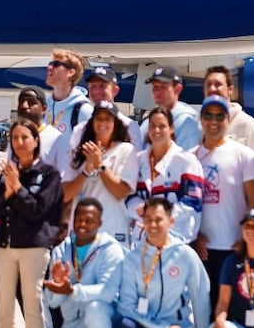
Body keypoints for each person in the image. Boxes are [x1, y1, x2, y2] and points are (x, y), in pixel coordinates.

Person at [0, 118, 62, 328]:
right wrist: (7, 190)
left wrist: (17, 189)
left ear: (36, 141)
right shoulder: (9, 171)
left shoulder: (49, 174)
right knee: (4, 313)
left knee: (32, 310)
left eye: (24, 137)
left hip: (34, 247)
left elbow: (39, 210)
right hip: (5, 246)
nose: (19, 143)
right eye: (15, 138)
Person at [114, 197, 212, 328]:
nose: (152, 225)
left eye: (158, 220)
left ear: (171, 221)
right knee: (122, 327)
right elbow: (126, 306)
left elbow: (201, 301)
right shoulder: (133, 258)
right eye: (148, 220)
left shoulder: (185, 255)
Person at [193, 95, 254, 316]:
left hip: (233, 248)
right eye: (208, 115)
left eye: (220, 116)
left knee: (232, 312)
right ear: (201, 119)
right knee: (204, 310)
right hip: (200, 249)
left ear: (227, 120)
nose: (213, 121)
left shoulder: (245, 155)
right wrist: (194, 236)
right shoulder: (189, 157)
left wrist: (246, 237)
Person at [43, 197, 125, 328]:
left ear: (100, 223)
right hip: (72, 324)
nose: (82, 225)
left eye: (89, 221)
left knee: (95, 309)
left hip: (105, 321)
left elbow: (108, 292)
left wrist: (72, 291)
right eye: (79, 219)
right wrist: (57, 288)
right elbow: (52, 302)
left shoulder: (111, 249)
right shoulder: (61, 250)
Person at [62, 101, 139, 245]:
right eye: (99, 118)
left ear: (115, 123)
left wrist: (100, 165)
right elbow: (66, 194)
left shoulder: (126, 150)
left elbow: (120, 192)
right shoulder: (79, 152)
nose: (103, 123)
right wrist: (85, 172)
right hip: (81, 229)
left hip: (112, 229)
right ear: (92, 122)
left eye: (108, 119)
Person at [127, 105, 204, 243]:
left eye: (162, 126)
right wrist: (140, 210)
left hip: (178, 241)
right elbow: (128, 195)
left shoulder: (186, 161)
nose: (157, 130)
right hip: (143, 241)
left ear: (171, 128)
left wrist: (159, 217)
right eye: (153, 126)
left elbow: (193, 202)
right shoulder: (137, 160)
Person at [138, 65, 201, 152]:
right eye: (155, 86)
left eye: (163, 87)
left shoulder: (187, 122)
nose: (157, 91)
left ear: (177, 89)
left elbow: (188, 158)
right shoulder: (147, 122)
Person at [42, 49, 93, 152]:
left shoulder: (84, 111)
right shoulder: (44, 107)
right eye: (50, 64)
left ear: (71, 72)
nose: (49, 67)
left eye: (56, 64)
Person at [203, 66, 254, 151]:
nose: (212, 89)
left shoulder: (247, 125)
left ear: (230, 89)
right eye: (208, 85)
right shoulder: (198, 124)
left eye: (218, 84)